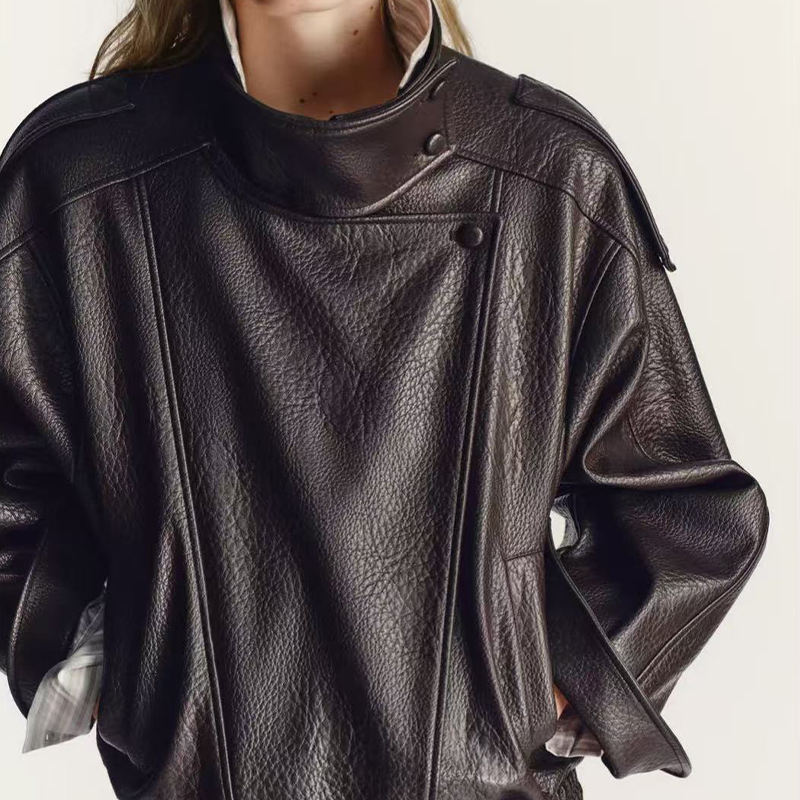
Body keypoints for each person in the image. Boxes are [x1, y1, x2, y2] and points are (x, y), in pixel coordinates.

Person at [0, 1, 769, 799]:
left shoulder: (549, 171)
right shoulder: (79, 175)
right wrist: (132, 679)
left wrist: (531, 695)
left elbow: (688, 513)